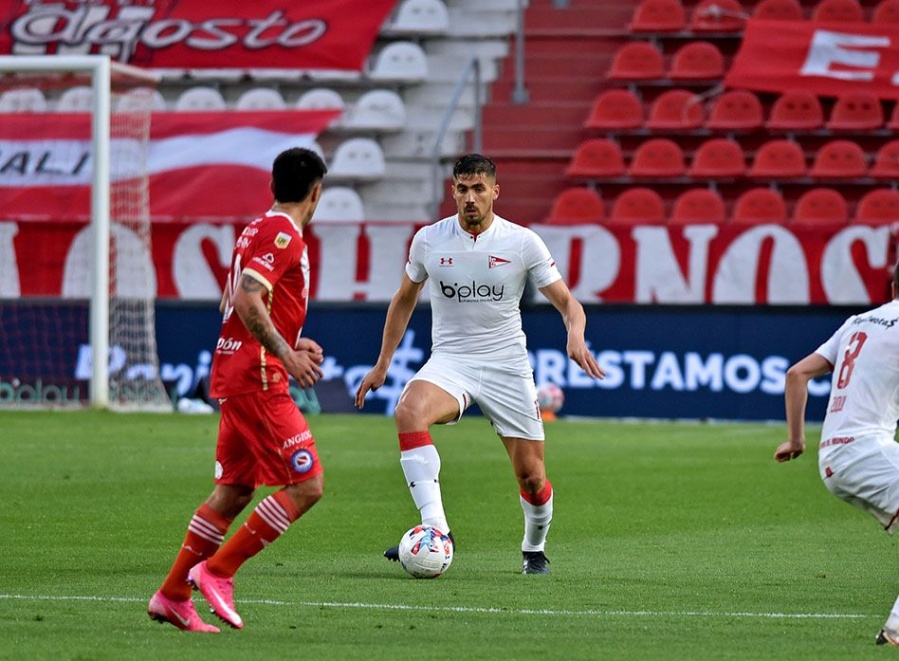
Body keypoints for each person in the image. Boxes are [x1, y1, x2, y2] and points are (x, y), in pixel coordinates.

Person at [354, 153, 604, 575]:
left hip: (507, 364)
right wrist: (382, 364)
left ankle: (533, 548)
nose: (471, 198)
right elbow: (404, 300)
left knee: (532, 478)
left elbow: (568, 303)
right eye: (463, 189)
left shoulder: (522, 242)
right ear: (452, 191)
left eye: (479, 189)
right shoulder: (429, 240)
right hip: (451, 360)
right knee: (408, 411)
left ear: (494, 192)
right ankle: (436, 530)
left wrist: (574, 333)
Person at [148, 147, 328, 632]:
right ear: (316, 193)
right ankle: (219, 571)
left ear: (273, 186)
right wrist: (284, 354)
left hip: (236, 368)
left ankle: (172, 593)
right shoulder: (283, 233)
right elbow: (249, 295)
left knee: (233, 490)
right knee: (306, 484)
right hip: (257, 375)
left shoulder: (254, 228)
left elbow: (242, 298)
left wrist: (289, 341)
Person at [774, 262, 899, 646]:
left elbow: (797, 374)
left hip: (833, 458)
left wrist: (796, 440)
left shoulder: (858, 322)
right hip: (868, 451)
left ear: (893, 288)